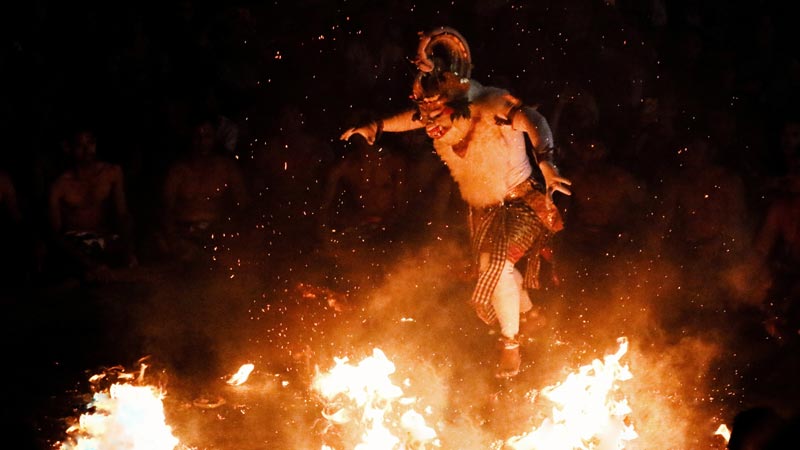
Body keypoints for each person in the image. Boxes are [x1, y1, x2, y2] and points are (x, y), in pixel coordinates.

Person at [340, 27, 572, 378]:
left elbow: (533, 119)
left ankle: (511, 343)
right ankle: (528, 314)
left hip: (522, 204)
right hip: (484, 209)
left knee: (493, 263)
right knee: (493, 270)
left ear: (458, 104)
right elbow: (413, 118)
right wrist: (378, 126)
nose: (431, 125)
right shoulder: (438, 114)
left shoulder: (491, 104)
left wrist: (547, 162)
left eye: (437, 116)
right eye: (427, 117)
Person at [48, 129, 136, 282]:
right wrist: (90, 264)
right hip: (76, 247)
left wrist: (128, 250)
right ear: (67, 148)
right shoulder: (59, 186)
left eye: (91, 143)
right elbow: (55, 234)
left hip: (104, 239)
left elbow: (123, 215)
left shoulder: (112, 172)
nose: (87, 150)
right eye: (80, 145)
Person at [160, 117, 249, 263]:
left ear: (214, 138)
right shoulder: (179, 171)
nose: (202, 143)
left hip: (218, 235)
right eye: (197, 137)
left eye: (207, 137)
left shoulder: (226, 168)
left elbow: (244, 205)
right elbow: (166, 210)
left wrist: (237, 235)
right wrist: (173, 241)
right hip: (185, 236)